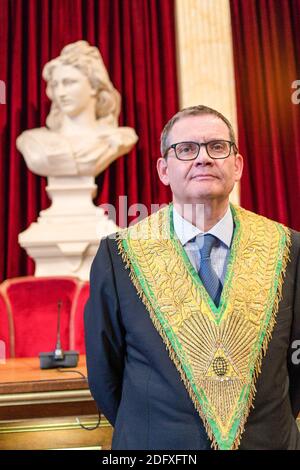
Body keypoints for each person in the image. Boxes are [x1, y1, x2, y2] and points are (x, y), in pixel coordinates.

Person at [84, 105, 300, 450]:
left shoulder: (289, 248)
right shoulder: (118, 255)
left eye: (217, 147)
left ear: (237, 165)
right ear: (164, 169)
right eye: (185, 149)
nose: (203, 159)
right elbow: (104, 372)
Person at [17, 41, 137, 177]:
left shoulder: (118, 138)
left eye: (69, 83)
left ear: (93, 86)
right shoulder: (33, 142)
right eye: (55, 85)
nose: (60, 93)